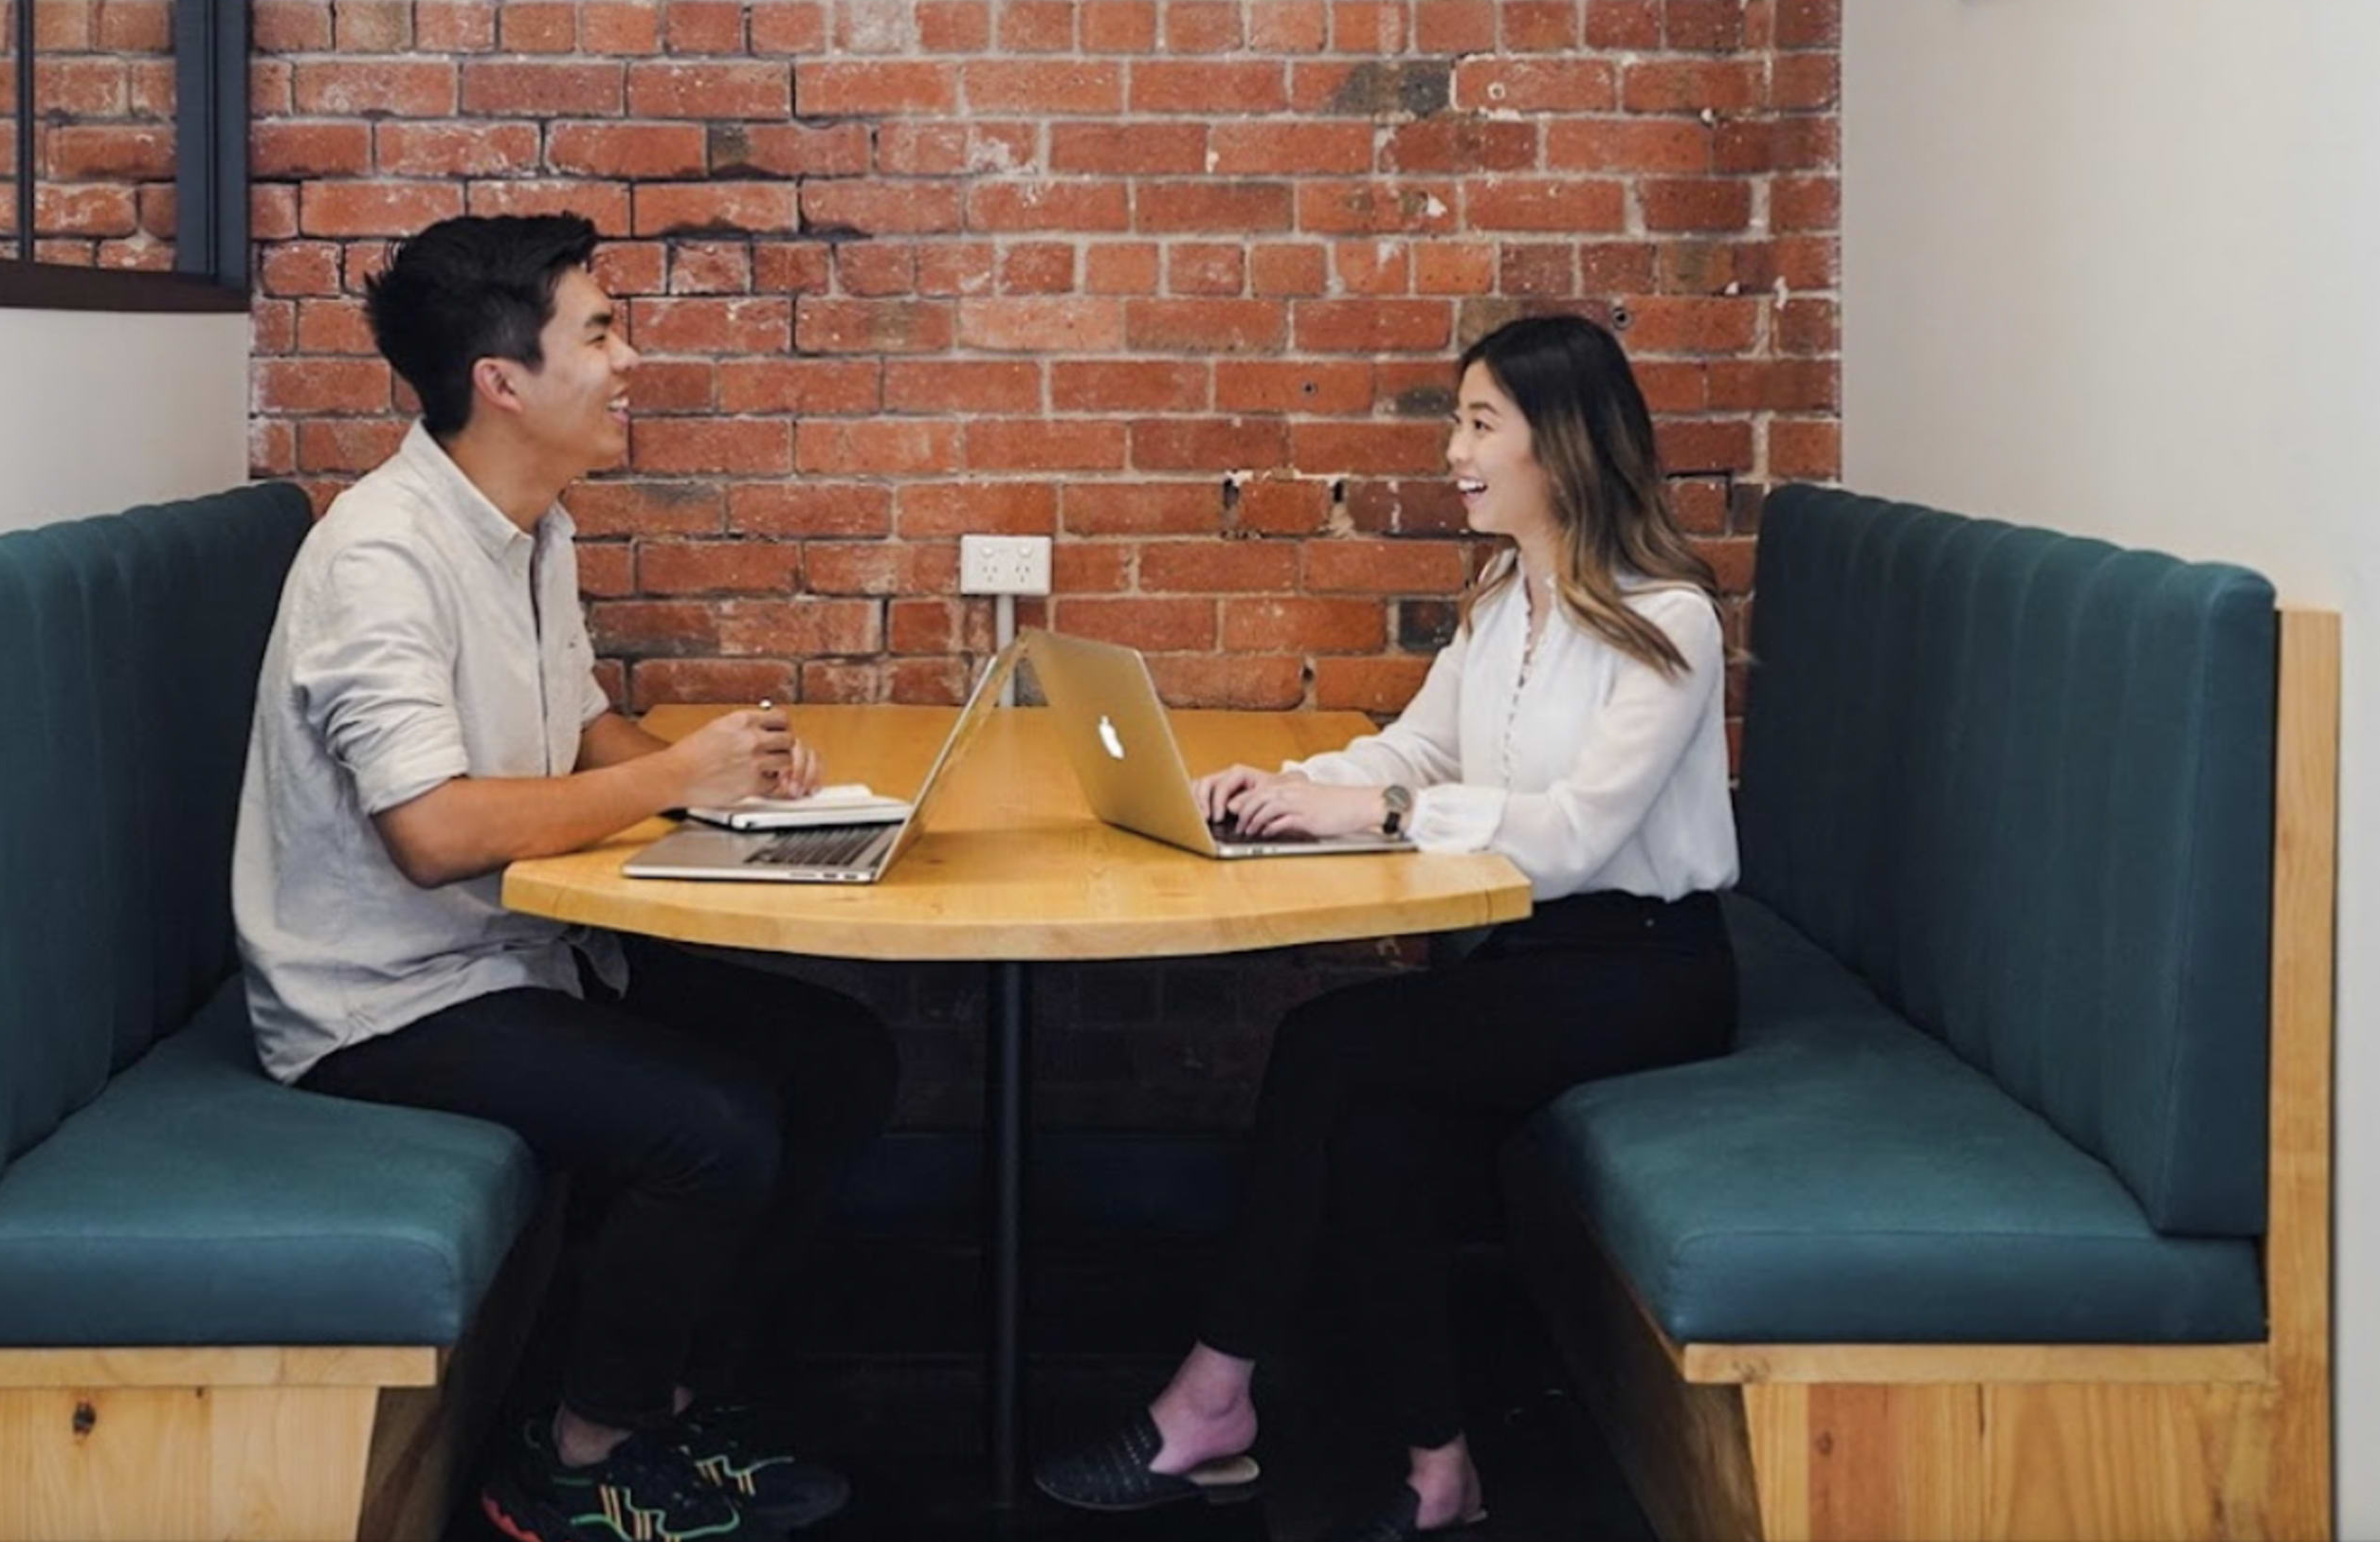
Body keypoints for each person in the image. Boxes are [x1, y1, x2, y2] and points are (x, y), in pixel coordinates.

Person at [233, 210, 897, 1542]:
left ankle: (664, 1404)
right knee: (710, 1125)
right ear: (503, 380)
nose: (629, 358)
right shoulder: (382, 557)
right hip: (379, 1000)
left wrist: (734, 787)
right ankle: (576, 1460)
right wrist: (675, 774)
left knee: (840, 1058)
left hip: (514, 951)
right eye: (598, 333)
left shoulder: (533, 525)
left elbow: (583, 722)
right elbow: (432, 833)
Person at [1032, 312, 1742, 1541]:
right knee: (1375, 1138)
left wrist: (1384, 811)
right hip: (1529, 954)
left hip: (1647, 970)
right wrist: (1284, 785)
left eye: (1479, 424)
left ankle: (1211, 1394)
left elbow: (1575, 834)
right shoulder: (1503, 600)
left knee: (1329, 1045)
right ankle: (1439, 1470)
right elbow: (1414, 749)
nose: (1454, 453)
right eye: (1457, 423)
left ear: (1562, 442)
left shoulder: (1668, 620)